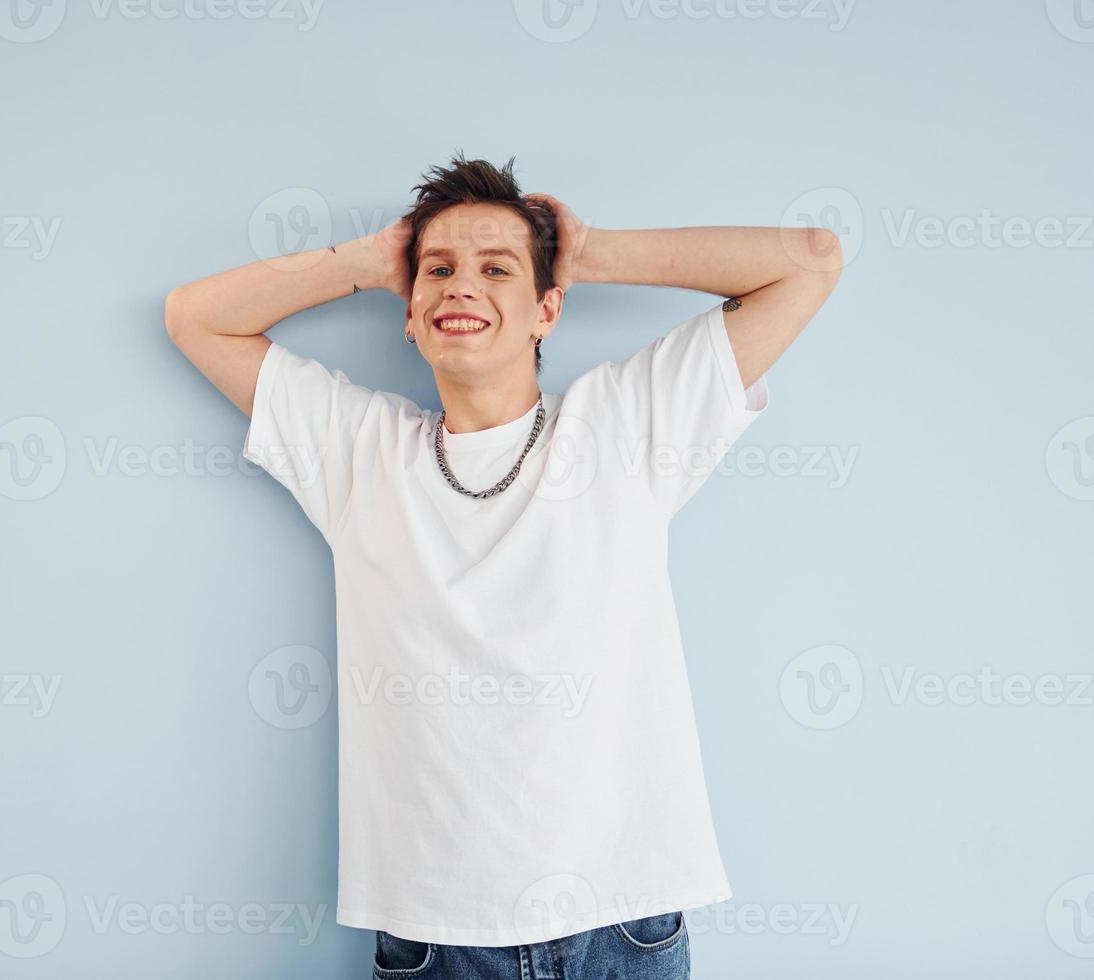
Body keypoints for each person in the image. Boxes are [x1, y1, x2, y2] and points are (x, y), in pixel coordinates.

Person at [164, 155, 842, 979]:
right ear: (409, 314)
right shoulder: (359, 452)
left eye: (498, 269)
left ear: (546, 309)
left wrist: (588, 253)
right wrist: (370, 262)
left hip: (620, 923)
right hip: (434, 937)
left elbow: (809, 260)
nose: (460, 287)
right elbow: (195, 316)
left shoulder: (626, 426)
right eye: (438, 271)